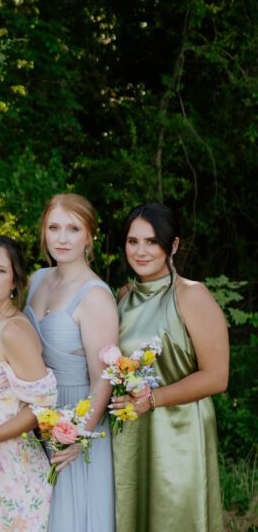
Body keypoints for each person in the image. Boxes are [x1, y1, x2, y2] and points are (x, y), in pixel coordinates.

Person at [110, 203, 227, 532]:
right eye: (133, 241)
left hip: (178, 433)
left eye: (152, 241)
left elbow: (217, 377)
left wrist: (152, 400)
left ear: (172, 245)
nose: (141, 251)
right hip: (131, 433)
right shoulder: (122, 296)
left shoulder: (192, 295)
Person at [24, 193, 117, 532]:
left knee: (71, 517)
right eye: (54, 227)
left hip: (76, 416)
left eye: (73, 229)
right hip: (35, 416)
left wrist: (79, 435)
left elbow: (103, 377)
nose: (61, 238)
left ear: (89, 235)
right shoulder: (37, 279)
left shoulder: (95, 295)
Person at [0, 236, 57, 532]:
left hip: (16, 466)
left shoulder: (14, 330)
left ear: (15, 281)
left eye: (0, 271)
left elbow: (41, 407)